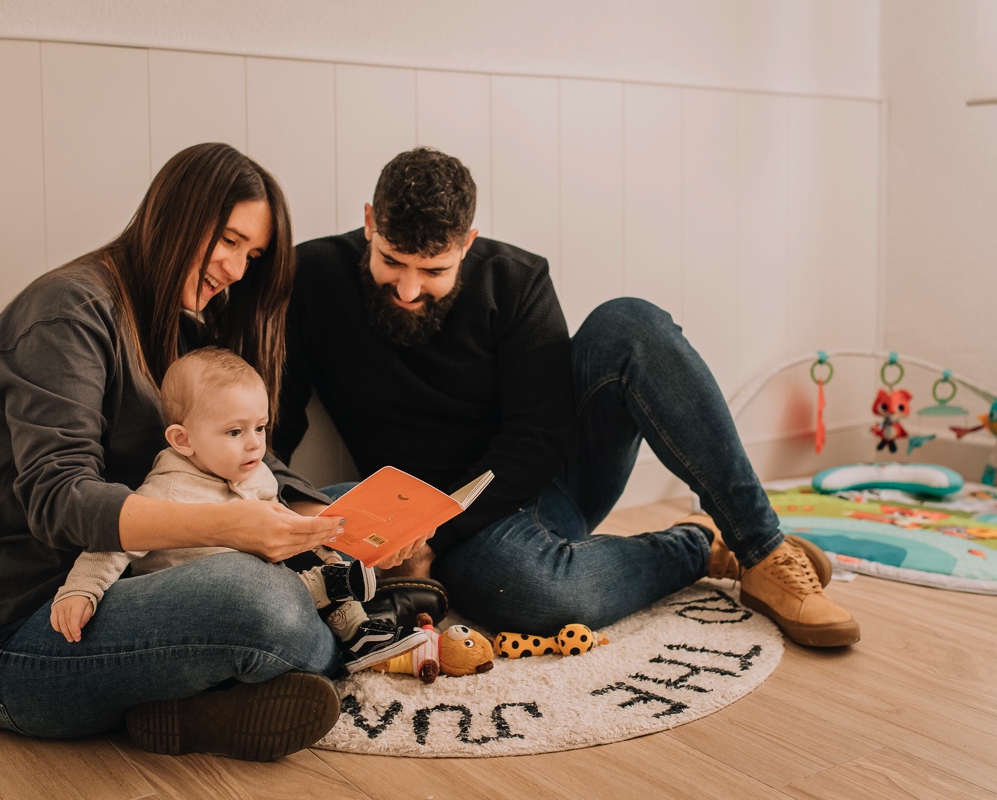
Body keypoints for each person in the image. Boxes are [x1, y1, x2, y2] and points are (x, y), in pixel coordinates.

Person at [0, 143, 418, 762]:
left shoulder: (183, 321)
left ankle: (197, 701)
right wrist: (234, 525)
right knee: (260, 601)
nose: (236, 270)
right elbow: (60, 499)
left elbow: (241, 462)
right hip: (30, 633)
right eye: (227, 240)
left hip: (153, 576)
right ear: (174, 212)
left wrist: (324, 521)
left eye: (252, 255)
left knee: (344, 504)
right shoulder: (64, 315)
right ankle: (360, 629)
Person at [275, 147, 860, 648]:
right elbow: (273, 419)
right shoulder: (312, 277)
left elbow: (538, 437)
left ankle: (761, 549)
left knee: (631, 324)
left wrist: (439, 534)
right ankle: (696, 549)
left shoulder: (516, 278)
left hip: (538, 484)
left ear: (468, 243)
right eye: (392, 262)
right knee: (525, 593)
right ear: (370, 221)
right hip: (449, 526)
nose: (407, 288)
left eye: (433, 271)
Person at [49, 346, 428, 672]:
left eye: (260, 428)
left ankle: (356, 629)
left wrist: (343, 538)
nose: (254, 445)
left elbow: (283, 522)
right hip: (213, 602)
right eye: (235, 432)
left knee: (331, 520)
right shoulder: (165, 489)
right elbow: (115, 542)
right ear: (183, 440)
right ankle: (324, 637)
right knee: (280, 588)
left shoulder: (257, 473)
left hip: (276, 573)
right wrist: (81, 590)